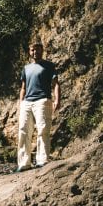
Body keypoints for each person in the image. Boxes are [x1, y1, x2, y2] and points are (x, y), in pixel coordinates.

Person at [17, 39, 60, 171]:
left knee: (43, 130)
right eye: (32, 49)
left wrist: (57, 99)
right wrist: (21, 102)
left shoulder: (49, 66)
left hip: (43, 100)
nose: (35, 52)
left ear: (42, 50)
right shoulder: (26, 68)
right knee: (23, 131)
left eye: (38, 49)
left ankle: (42, 160)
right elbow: (23, 87)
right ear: (29, 52)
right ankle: (24, 163)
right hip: (27, 102)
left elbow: (56, 84)